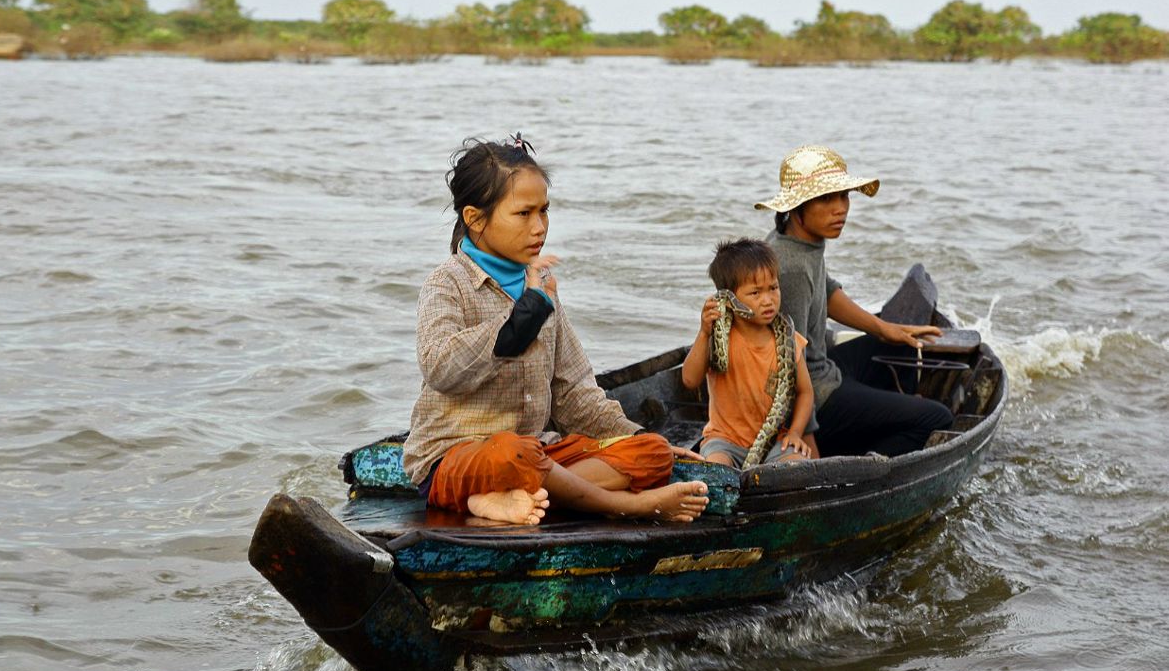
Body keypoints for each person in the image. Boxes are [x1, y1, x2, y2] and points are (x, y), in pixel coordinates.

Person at [403, 136, 709, 526]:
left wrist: (630, 435)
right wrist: (518, 323)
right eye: (524, 214)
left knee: (653, 453)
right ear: (475, 219)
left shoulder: (541, 285)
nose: (540, 227)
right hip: (459, 458)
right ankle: (624, 504)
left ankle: (514, 499)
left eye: (544, 211)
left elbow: (573, 392)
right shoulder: (449, 282)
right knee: (514, 453)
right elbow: (441, 367)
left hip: (537, 456)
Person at [754, 144, 954, 457]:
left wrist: (884, 329)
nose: (841, 208)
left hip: (825, 369)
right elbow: (785, 366)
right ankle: (865, 462)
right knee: (937, 417)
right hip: (815, 395)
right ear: (795, 207)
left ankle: (886, 416)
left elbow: (828, 291)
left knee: (900, 344)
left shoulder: (800, 242)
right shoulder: (789, 264)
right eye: (825, 198)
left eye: (843, 196)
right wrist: (806, 435)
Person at [680, 238, 817, 468]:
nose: (768, 300)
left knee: (797, 465)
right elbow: (690, 380)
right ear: (729, 298)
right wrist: (703, 333)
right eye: (755, 293)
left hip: (775, 441)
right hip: (724, 440)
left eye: (773, 288)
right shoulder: (718, 336)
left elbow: (805, 393)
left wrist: (795, 433)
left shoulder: (789, 340)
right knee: (717, 469)